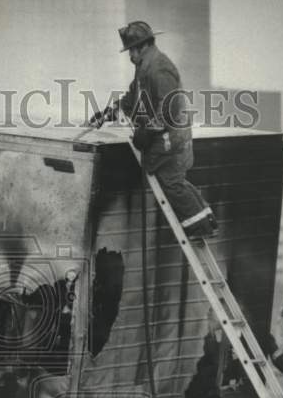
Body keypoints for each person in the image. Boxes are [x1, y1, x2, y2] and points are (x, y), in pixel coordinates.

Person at [88, 20, 217, 238]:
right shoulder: (144, 68)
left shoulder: (160, 69)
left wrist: (147, 131)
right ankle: (206, 220)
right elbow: (132, 98)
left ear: (143, 46)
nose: (130, 56)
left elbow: (168, 108)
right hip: (166, 136)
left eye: (131, 51)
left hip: (171, 139)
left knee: (171, 183)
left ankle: (201, 227)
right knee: (176, 181)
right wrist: (110, 113)